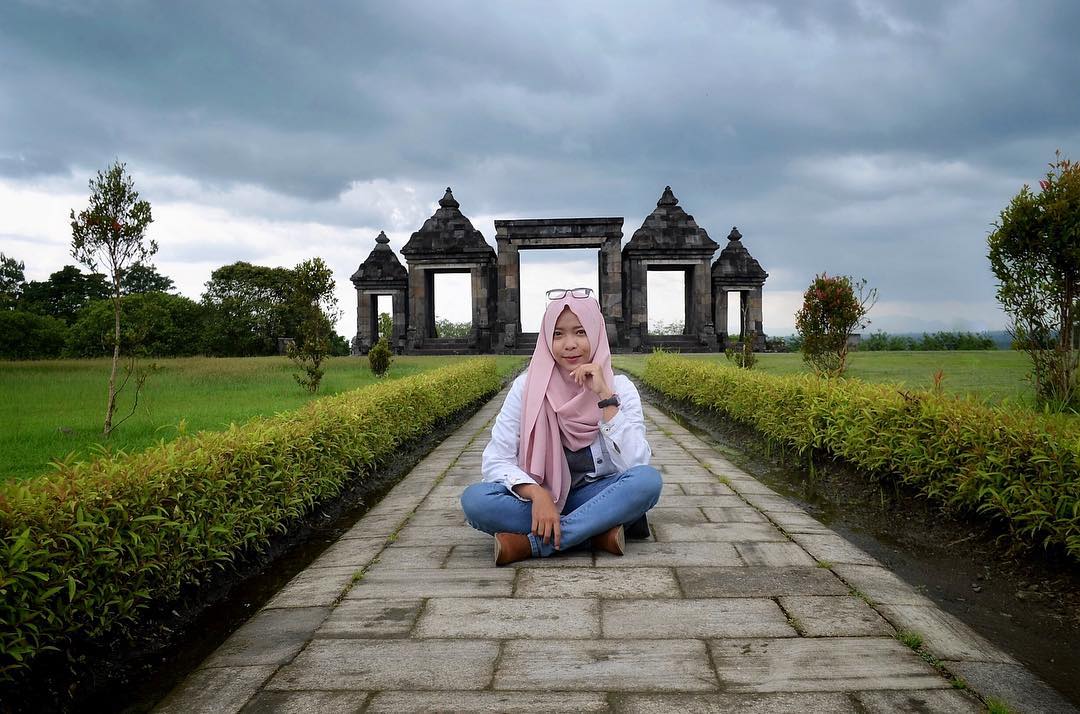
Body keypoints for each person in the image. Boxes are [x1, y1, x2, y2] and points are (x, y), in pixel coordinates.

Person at [460, 287, 663, 566]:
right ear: (546, 339)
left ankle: (534, 545)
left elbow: (637, 463)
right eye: (558, 334)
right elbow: (496, 461)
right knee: (475, 501)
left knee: (647, 482)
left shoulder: (619, 389)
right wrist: (537, 493)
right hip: (540, 500)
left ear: (596, 333)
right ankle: (598, 530)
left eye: (580, 332)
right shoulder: (526, 388)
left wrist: (604, 398)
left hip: (597, 492)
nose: (570, 344)